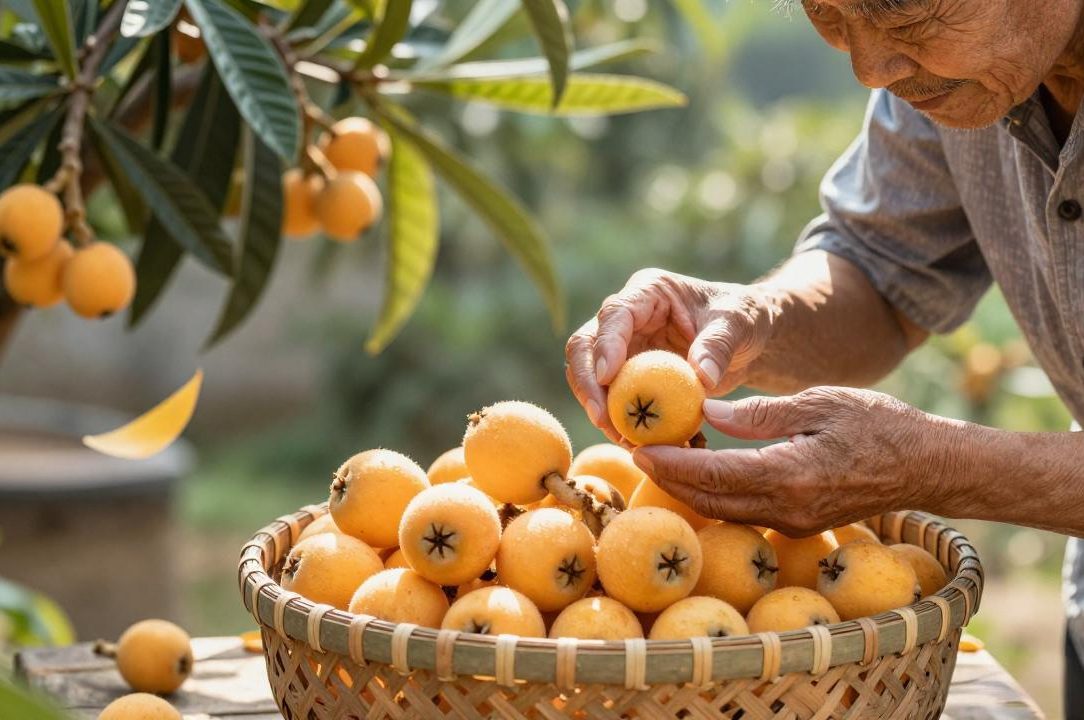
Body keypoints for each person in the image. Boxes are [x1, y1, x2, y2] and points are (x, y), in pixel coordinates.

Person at [564, 0, 1084, 713]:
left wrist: (936, 463)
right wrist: (756, 317)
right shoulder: (955, 71)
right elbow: (879, 269)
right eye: (828, 14)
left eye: (907, 17)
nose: (870, 68)